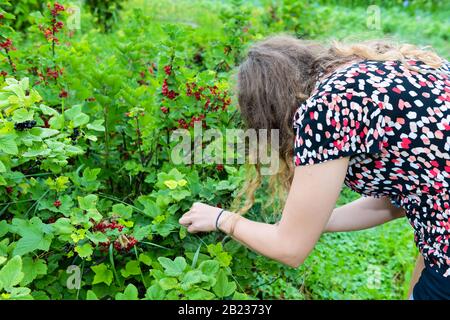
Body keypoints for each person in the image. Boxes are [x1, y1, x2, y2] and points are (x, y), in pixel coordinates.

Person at [178, 35, 450, 300]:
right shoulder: (391, 64)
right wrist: (314, 222)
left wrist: (221, 219)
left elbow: (290, 248)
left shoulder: (325, 108)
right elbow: (399, 200)